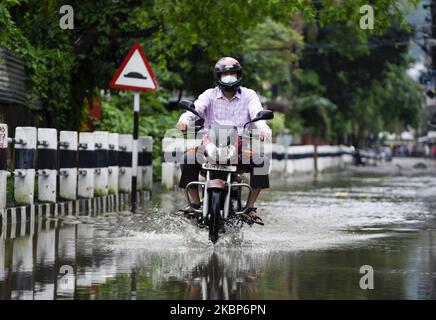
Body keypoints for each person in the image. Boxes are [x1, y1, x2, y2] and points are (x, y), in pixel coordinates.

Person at [175, 57, 272, 224]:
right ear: (218, 76)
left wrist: (263, 129)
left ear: (239, 75)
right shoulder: (209, 95)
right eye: (225, 73)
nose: (229, 77)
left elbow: (258, 114)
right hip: (210, 144)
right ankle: (195, 204)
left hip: (239, 146)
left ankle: (250, 208)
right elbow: (195, 109)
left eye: (232, 73)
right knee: (187, 158)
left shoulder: (249, 95)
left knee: (261, 162)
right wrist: (184, 120)